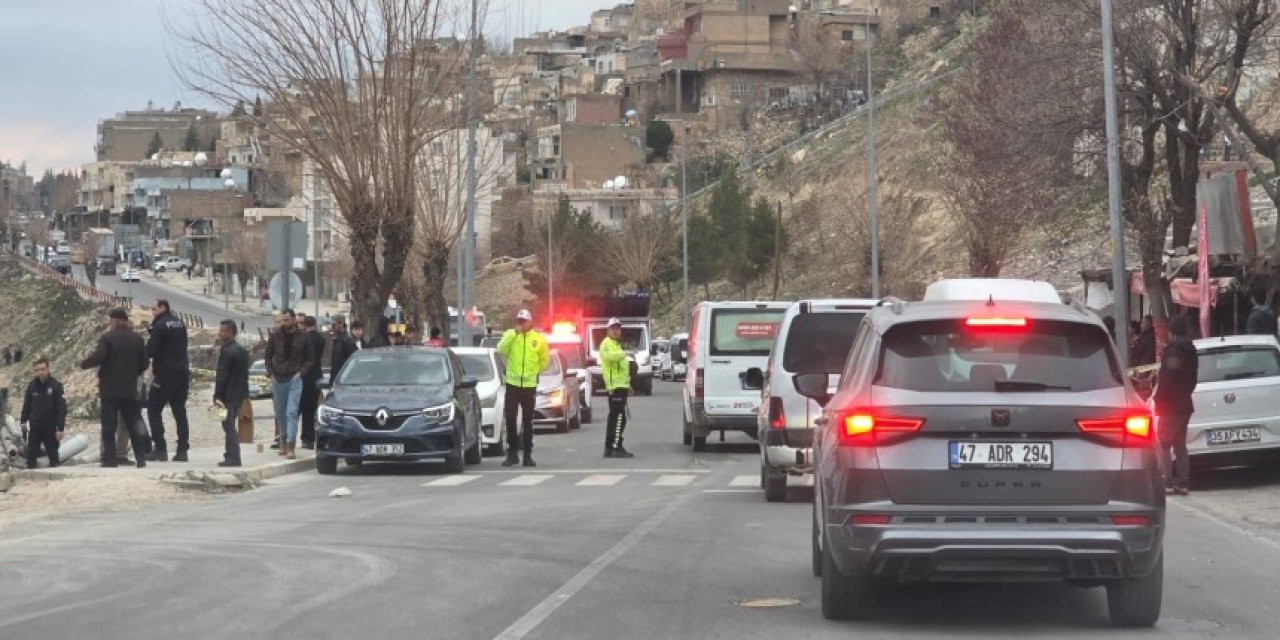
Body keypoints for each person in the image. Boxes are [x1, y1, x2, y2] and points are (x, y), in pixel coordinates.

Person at [79, 308, 149, 468]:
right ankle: (141, 459)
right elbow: (145, 363)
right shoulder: (137, 339)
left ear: (117, 320)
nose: (110, 324)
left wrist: (84, 364)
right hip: (129, 390)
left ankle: (110, 460)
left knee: (109, 427)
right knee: (132, 424)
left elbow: (98, 357)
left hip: (110, 391)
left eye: (111, 320)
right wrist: (133, 373)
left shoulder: (108, 338)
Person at [496, 309, 550, 467]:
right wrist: (514, 333)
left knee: (528, 421)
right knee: (511, 418)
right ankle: (512, 453)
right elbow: (501, 349)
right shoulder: (510, 335)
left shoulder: (539, 339)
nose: (521, 324)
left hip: (529, 385)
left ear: (530, 321)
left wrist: (534, 371)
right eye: (519, 321)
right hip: (513, 384)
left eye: (524, 321)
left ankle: (527, 455)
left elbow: (545, 361)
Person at [1154, 316, 1199, 496]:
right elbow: (1193, 379)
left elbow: (1165, 380)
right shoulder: (1191, 351)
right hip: (1185, 404)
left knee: (1163, 444)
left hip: (1170, 405)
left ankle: (1167, 482)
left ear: (1171, 333)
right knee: (1180, 446)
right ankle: (1183, 483)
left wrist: (1158, 399)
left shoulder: (1172, 352)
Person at [263, 308, 314, 459]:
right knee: (280, 414)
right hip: (278, 379)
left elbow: (310, 359)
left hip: (294, 378)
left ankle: (291, 445)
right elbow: (267, 356)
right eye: (282, 320)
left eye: (287, 320)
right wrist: (270, 373)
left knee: (292, 412)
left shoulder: (304, 336)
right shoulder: (275, 335)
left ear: (293, 320)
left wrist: (300, 373)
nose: (284, 323)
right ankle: (283, 441)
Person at [145, 299, 191, 462]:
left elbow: (150, 350)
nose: (152, 312)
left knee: (153, 409)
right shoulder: (179, 323)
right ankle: (182, 449)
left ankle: (160, 448)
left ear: (162, 308)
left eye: (154, 308)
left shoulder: (160, 325)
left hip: (165, 373)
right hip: (182, 372)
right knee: (179, 410)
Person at [213, 320, 250, 467]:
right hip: (238, 394)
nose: (220, 333)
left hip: (227, 395)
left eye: (222, 331)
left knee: (228, 426)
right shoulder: (241, 350)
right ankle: (230, 454)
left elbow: (222, 375)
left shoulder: (227, 351)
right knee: (229, 424)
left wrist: (217, 395)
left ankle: (233, 457)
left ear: (230, 332)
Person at [20, 357, 67, 469]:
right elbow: (26, 405)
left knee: (54, 459)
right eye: (37, 370)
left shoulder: (55, 386)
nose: (40, 372)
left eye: (43, 369)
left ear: (48, 369)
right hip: (35, 427)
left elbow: (62, 408)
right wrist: (23, 421)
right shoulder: (32, 386)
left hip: (50, 427)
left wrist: (60, 428)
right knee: (31, 458)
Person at [599, 318, 634, 459]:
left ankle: (609, 447)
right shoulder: (606, 344)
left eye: (618, 328)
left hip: (621, 386)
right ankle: (616, 447)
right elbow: (611, 358)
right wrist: (626, 354)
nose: (616, 331)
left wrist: (628, 384)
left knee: (617, 417)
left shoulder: (617, 345)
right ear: (608, 330)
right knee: (618, 418)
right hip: (614, 387)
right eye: (613, 328)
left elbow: (622, 369)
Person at [298, 315, 326, 449]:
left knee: (300, 409)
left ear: (305, 325)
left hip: (303, 376)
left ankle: (302, 438)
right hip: (316, 376)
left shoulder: (303, 339)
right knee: (312, 409)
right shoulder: (321, 339)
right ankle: (310, 438)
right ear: (315, 324)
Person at [330, 315, 359, 380]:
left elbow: (353, 360)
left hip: (344, 378)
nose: (332, 327)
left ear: (341, 323)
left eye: (334, 324)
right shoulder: (338, 339)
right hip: (337, 377)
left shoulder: (347, 340)